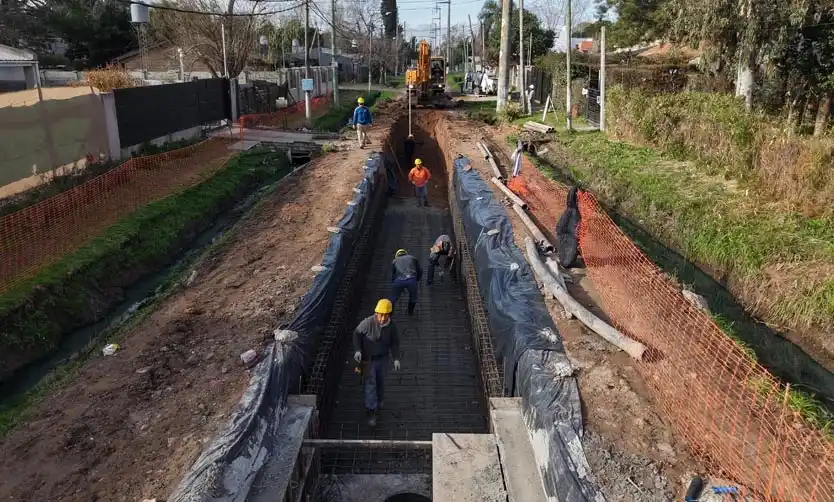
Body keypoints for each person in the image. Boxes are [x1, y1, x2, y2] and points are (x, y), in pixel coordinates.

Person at [353, 299, 401, 427]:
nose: (382, 318)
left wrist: (396, 358)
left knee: (380, 381)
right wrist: (358, 350)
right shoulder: (368, 322)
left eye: (386, 315)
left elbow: (395, 343)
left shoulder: (392, 326)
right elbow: (356, 334)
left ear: (390, 314)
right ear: (376, 313)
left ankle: (379, 400)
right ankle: (371, 411)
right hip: (368, 360)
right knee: (370, 384)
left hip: (383, 359)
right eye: (380, 314)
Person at [390, 248, 422, 315]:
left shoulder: (394, 261)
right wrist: (417, 279)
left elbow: (393, 275)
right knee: (413, 297)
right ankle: (410, 312)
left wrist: (394, 284)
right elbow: (420, 270)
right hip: (411, 279)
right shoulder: (413, 258)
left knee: (393, 298)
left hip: (398, 281)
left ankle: (390, 313)